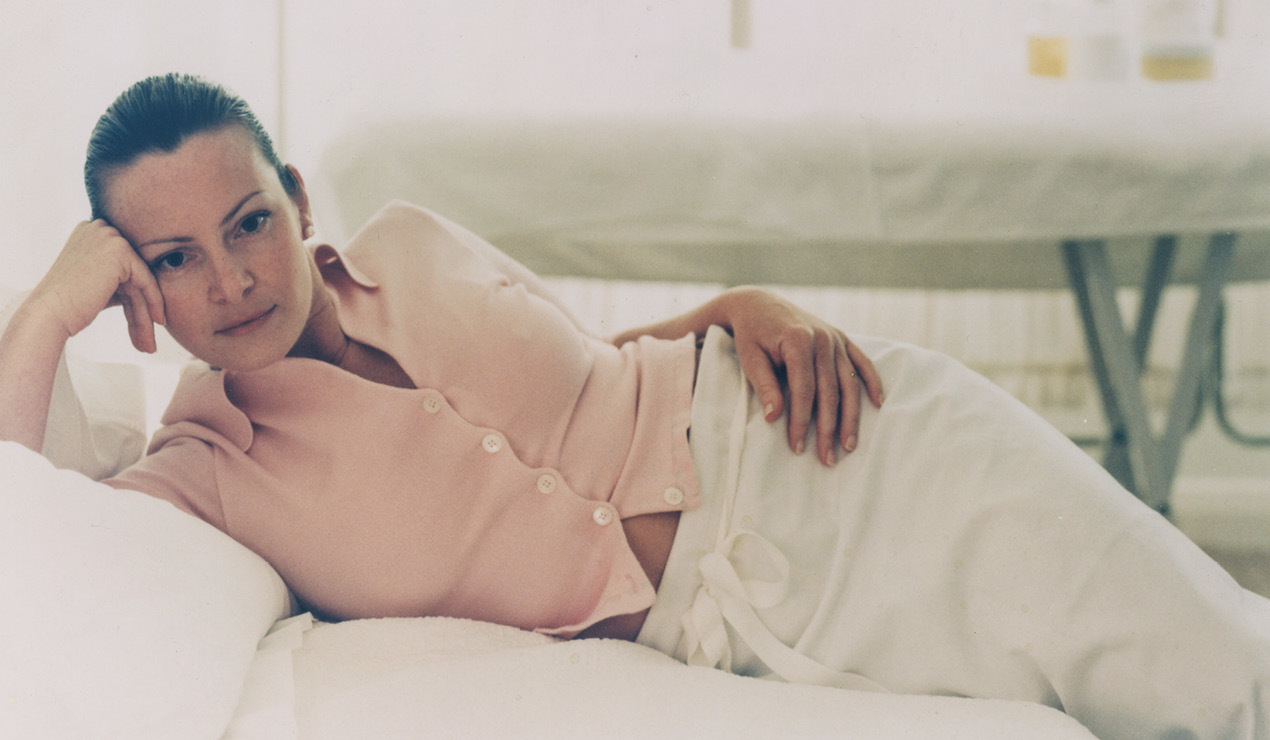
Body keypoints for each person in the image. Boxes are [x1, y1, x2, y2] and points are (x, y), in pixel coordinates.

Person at [1, 73, 1267, 740]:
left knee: (1216, 669)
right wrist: (44, 315)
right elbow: (18, 533)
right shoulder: (201, 468)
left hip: (831, 443)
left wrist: (743, 304)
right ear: (135, 285)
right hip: (736, 624)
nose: (230, 279)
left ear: (296, 197)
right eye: (175, 258)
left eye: (248, 223)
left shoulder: (410, 235)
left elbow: (586, 361)